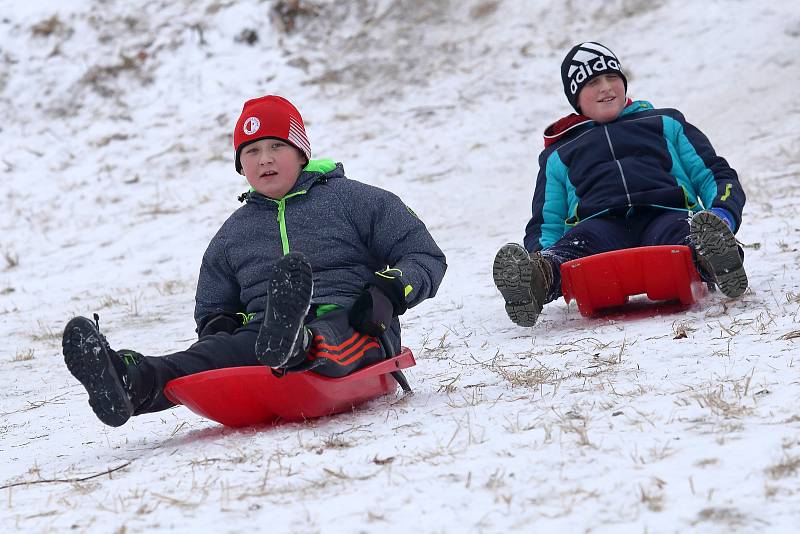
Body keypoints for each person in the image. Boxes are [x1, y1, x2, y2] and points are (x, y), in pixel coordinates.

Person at [62, 95, 447, 427]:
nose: (265, 160)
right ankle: (132, 380)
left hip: (354, 323)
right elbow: (214, 304)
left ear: (300, 151)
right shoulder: (234, 233)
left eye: (275, 146)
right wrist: (220, 326)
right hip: (266, 335)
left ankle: (299, 342)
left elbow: (423, 255)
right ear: (241, 166)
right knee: (207, 357)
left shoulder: (356, 200)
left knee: (330, 336)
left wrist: (390, 290)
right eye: (251, 151)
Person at [493, 42, 747, 327]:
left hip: (666, 212)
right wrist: (540, 252)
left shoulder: (664, 122)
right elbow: (546, 218)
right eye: (592, 82)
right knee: (570, 251)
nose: (606, 87)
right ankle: (536, 279)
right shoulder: (561, 152)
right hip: (598, 226)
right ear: (576, 98)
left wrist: (721, 214)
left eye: (612, 77)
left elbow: (713, 173)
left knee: (687, 236)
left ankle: (717, 259)